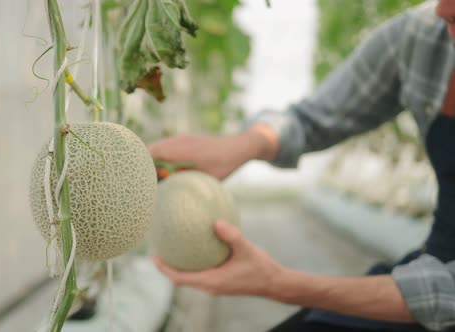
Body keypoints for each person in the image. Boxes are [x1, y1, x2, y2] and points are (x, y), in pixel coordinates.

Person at [148, 0, 455, 331]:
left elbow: (445, 294)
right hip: (431, 265)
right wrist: (239, 147)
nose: (443, 9)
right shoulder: (426, 35)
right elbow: (315, 118)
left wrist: (277, 283)